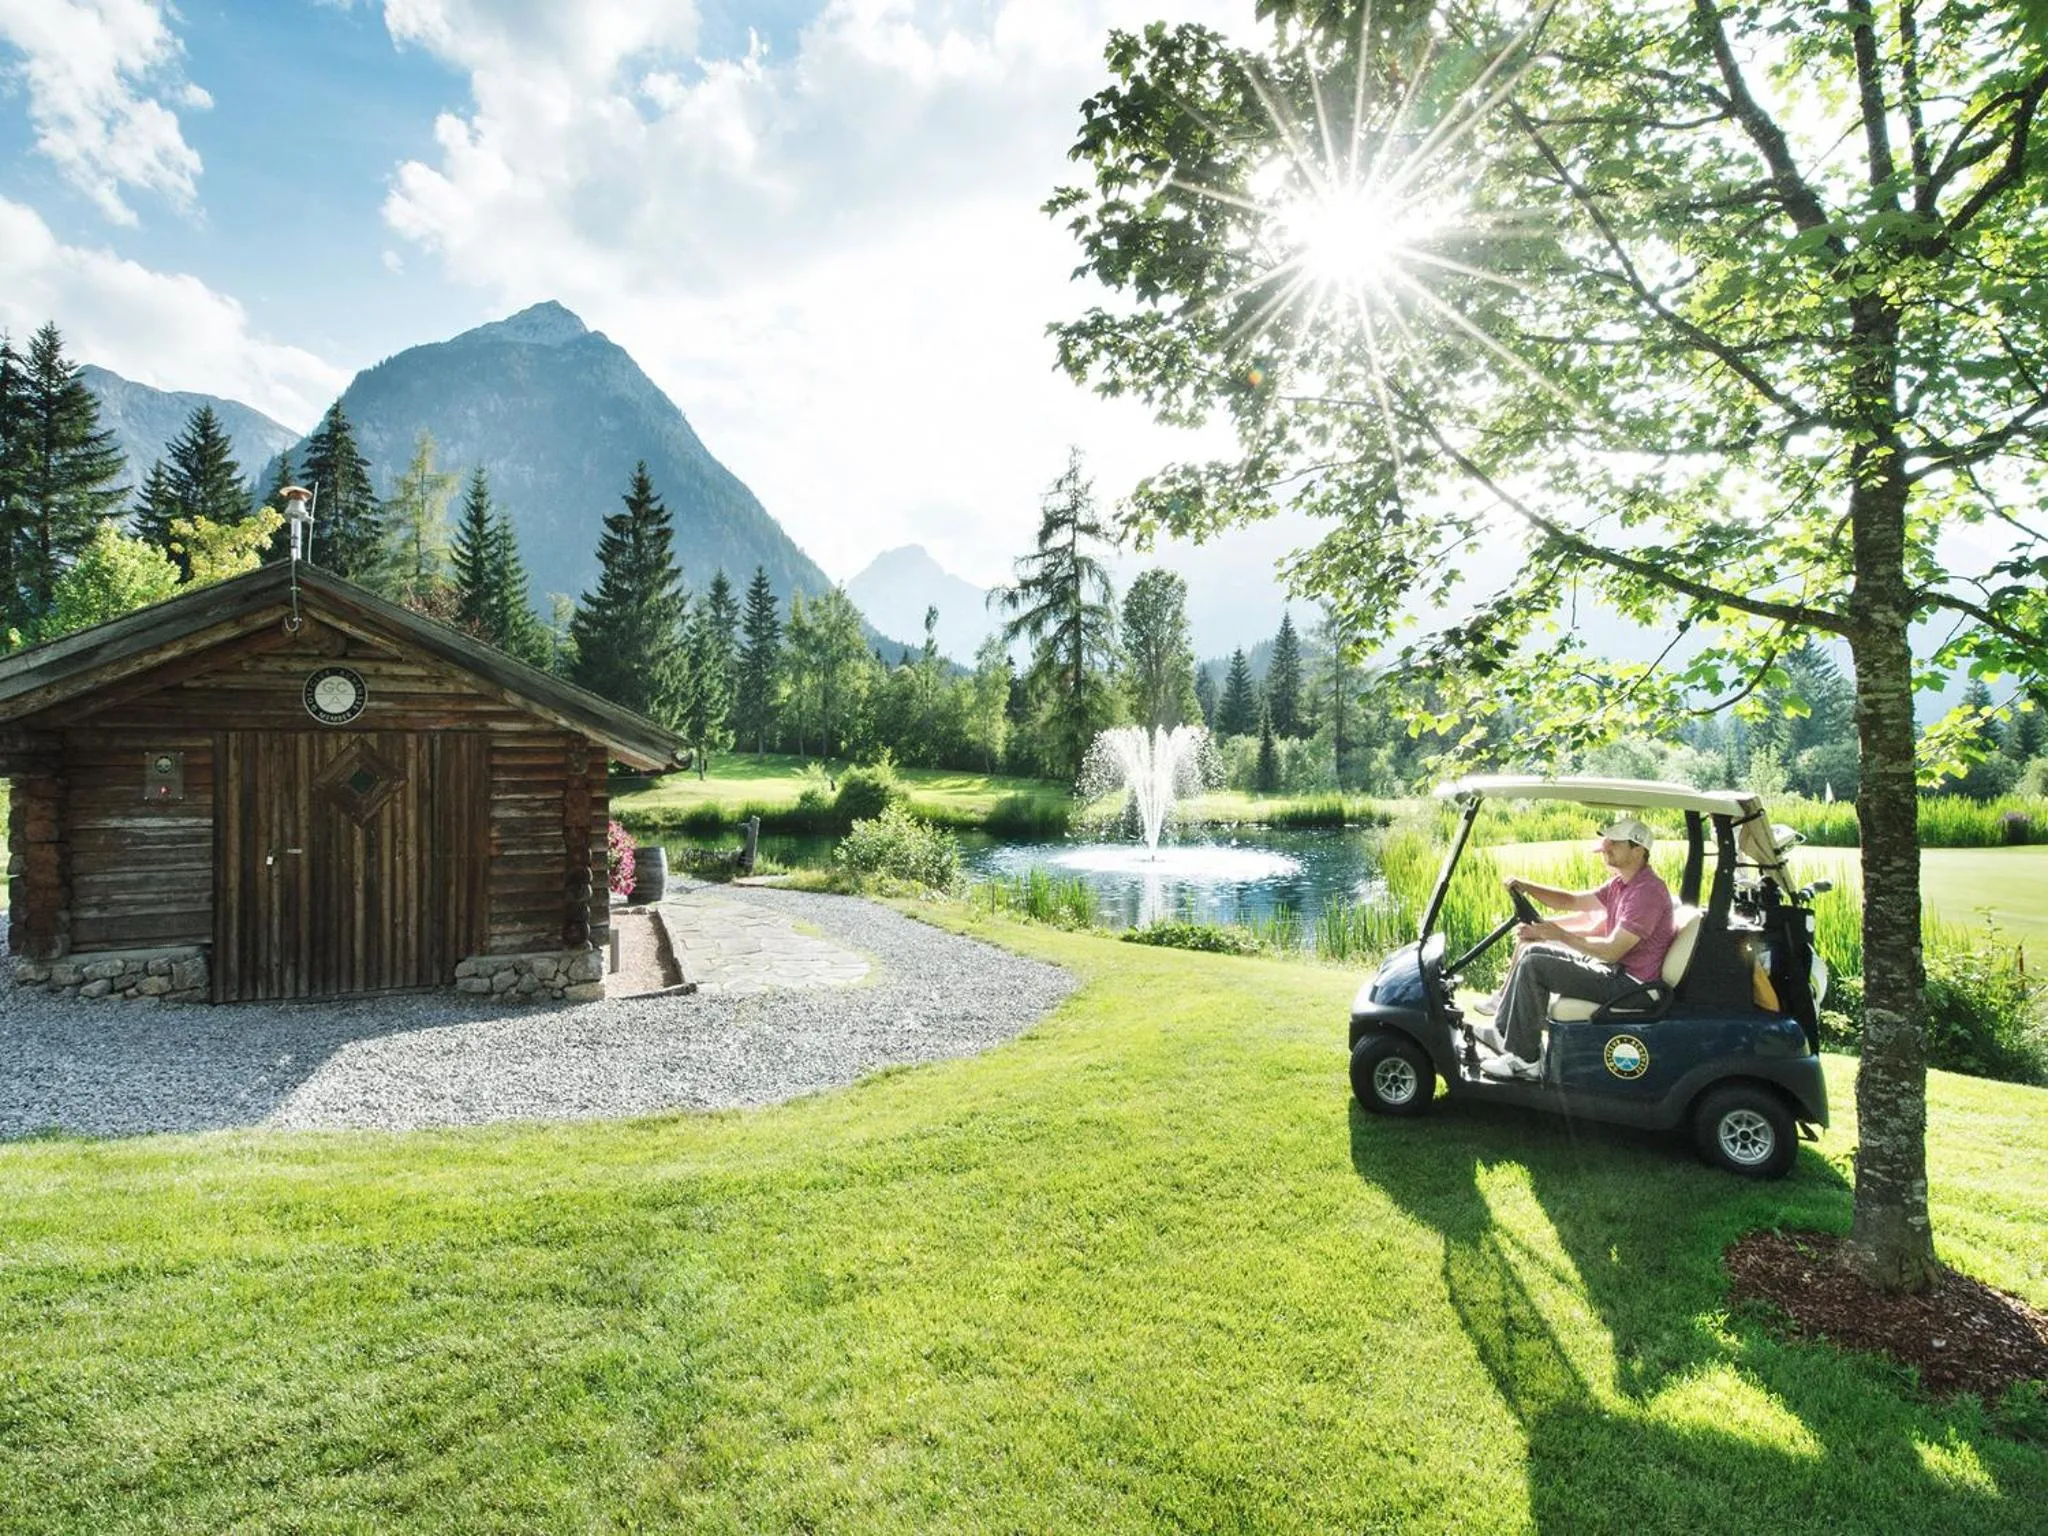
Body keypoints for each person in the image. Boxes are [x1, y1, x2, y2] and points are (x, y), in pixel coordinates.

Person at [1473, 817, 1676, 1081]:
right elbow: (1571, 901)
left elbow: (1611, 951)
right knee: (1532, 952)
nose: (1606, 846)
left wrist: (1559, 935)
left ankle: (1526, 1061)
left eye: (1614, 842)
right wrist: (1528, 887)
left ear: (1638, 849)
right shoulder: (1621, 884)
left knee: (1535, 966)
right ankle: (1503, 1034)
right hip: (1617, 973)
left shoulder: (1646, 893)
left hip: (1633, 987)